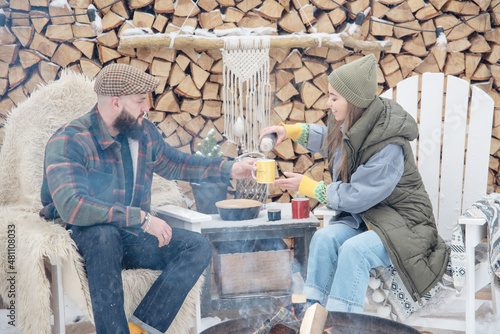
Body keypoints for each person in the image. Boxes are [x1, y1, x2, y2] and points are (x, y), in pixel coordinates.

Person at [39, 63, 255, 334]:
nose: (147, 108)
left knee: (197, 247)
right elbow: (73, 207)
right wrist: (140, 218)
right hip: (86, 238)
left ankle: (141, 328)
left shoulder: (142, 134)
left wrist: (228, 168)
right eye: (140, 101)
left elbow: (176, 163)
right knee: (104, 235)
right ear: (116, 102)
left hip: (131, 237)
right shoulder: (69, 140)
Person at [259, 54, 449, 314]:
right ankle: (313, 314)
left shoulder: (388, 145)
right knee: (324, 238)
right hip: (371, 221)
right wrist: (290, 131)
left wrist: (311, 188)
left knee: (353, 250)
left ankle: (342, 322)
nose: (328, 103)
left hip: (405, 226)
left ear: (354, 102)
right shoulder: (353, 123)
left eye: (334, 98)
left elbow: (358, 196)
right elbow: (330, 140)